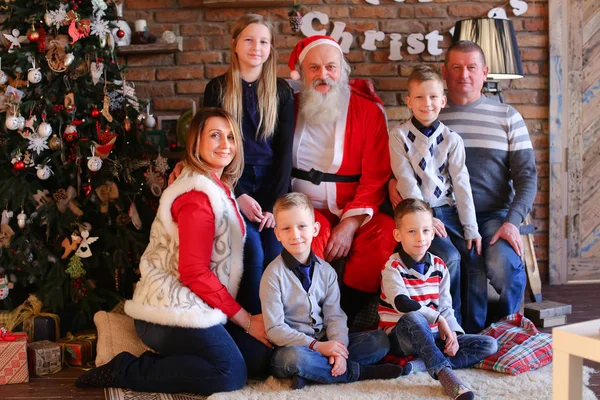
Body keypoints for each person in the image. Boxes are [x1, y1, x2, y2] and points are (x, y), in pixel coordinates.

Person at [76, 108, 272, 395]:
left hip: (199, 304)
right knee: (230, 373)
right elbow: (194, 273)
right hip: (168, 310)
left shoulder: (218, 186)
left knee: (257, 357)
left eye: (231, 137)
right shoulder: (197, 197)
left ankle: (180, 359)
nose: (226, 144)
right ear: (195, 143)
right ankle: (127, 369)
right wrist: (244, 319)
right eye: (215, 136)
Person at [389, 41, 537, 333]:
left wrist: (513, 221)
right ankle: (454, 330)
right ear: (444, 73)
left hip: (494, 217)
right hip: (440, 214)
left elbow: (527, 176)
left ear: (485, 72)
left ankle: (506, 331)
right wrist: (393, 184)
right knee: (454, 260)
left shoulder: (508, 117)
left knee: (504, 267)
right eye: (456, 67)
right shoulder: (428, 112)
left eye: (471, 67)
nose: (464, 74)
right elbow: (405, 166)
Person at [286, 35, 396, 322]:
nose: (324, 75)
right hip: (305, 207)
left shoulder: (369, 112)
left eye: (331, 67)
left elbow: (376, 175)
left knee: (384, 235)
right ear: (302, 73)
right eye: (314, 68)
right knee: (303, 239)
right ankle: (306, 315)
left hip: (355, 208)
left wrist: (349, 223)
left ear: (343, 71)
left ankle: (343, 314)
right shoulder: (289, 108)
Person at [260, 192, 405, 389]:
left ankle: (316, 373)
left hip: (326, 342)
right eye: (286, 228)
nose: (295, 234)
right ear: (277, 234)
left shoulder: (326, 271)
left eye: (302, 226)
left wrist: (338, 348)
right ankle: (357, 372)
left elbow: (334, 316)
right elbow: (275, 330)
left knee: (379, 341)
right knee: (294, 359)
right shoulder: (272, 275)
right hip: (293, 348)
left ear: (315, 229)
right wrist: (316, 346)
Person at [203, 14, 295, 315]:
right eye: (249, 39)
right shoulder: (217, 89)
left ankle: (276, 324)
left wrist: (273, 205)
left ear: (271, 49)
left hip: (272, 186)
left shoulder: (282, 92)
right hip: (232, 181)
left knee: (274, 249)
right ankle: (252, 325)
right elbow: (211, 148)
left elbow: (284, 153)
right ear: (235, 45)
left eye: (264, 41)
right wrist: (237, 193)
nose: (257, 47)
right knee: (251, 248)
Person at [388, 65, 483, 332]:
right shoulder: (398, 136)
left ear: (443, 100)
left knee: (474, 256)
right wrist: (427, 217)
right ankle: (452, 327)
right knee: (450, 257)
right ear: (408, 101)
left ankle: (475, 329)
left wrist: (471, 228)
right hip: (420, 213)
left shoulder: (452, 139)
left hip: (449, 210)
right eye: (419, 97)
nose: (426, 103)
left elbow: (462, 184)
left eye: (433, 97)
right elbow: (406, 181)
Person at [379, 199, 498, 400]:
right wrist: (438, 320)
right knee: (414, 317)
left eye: (426, 231)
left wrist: (453, 334)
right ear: (398, 235)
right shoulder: (392, 268)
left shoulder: (439, 266)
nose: (420, 238)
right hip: (402, 338)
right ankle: (445, 374)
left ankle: (421, 365)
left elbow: (446, 308)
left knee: (489, 344)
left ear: (433, 233)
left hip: (434, 337)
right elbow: (402, 303)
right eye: (412, 231)